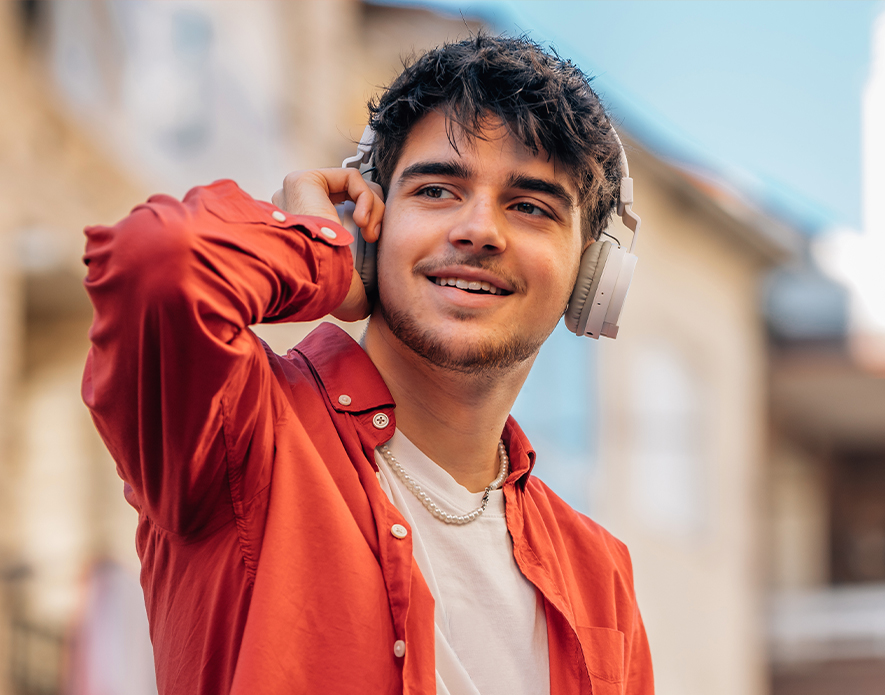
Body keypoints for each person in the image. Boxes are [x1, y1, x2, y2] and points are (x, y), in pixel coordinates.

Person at [81, 34, 652, 695]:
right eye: (437, 190)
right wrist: (316, 256)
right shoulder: (240, 436)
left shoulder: (600, 573)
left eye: (529, 206)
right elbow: (159, 263)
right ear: (365, 223)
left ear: (591, 274)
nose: (478, 230)